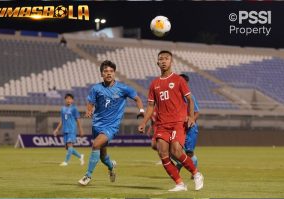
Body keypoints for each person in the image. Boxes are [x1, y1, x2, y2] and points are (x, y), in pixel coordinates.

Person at [138, 50, 204, 192]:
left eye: (166, 58)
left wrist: (191, 117)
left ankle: (196, 174)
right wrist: (144, 122)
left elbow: (190, 99)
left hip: (178, 122)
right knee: (163, 153)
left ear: (171, 61)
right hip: (162, 124)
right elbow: (150, 106)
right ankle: (180, 183)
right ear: (157, 63)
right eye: (161, 59)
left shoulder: (179, 80)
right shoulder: (154, 84)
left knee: (176, 150)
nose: (163, 61)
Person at [78, 60, 144, 186]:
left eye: (111, 71)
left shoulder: (123, 88)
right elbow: (90, 102)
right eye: (106, 71)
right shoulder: (96, 88)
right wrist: (89, 110)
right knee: (103, 156)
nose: (109, 73)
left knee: (96, 144)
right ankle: (111, 166)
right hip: (97, 125)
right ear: (101, 74)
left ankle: (88, 176)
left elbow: (137, 98)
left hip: (111, 126)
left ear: (114, 73)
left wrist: (141, 110)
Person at [53, 93, 85, 166]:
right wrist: (57, 129)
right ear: (65, 100)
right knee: (67, 148)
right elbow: (62, 120)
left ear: (72, 100)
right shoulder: (63, 109)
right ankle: (80, 156)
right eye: (67, 98)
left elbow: (78, 119)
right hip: (65, 129)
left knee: (70, 145)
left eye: (70, 99)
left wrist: (81, 130)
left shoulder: (74, 109)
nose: (68, 100)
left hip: (72, 129)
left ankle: (66, 162)